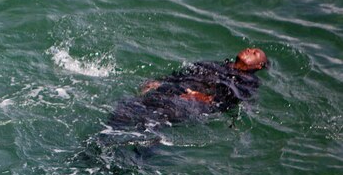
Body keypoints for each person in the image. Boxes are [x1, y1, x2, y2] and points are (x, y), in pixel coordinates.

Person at [107, 48, 269, 131]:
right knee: (127, 108)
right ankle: (101, 141)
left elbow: (233, 98)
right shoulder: (214, 65)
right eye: (249, 48)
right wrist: (160, 81)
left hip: (191, 103)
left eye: (255, 53)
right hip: (173, 92)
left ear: (259, 65)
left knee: (155, 120)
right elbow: (184, 74)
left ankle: (136, 161)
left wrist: (205, 98)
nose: (249, 50)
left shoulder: (249, 81)